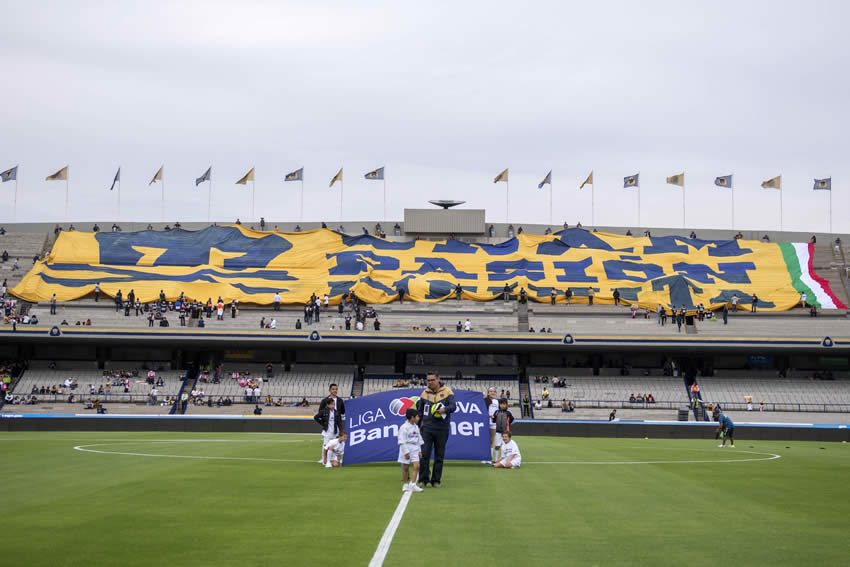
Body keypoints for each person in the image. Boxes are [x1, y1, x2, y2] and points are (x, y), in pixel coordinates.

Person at [416, 372, 456, 488]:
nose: (430, 382)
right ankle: (423, 479)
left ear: (438, 379)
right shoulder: (424, 393)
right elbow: (420, 411)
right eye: (428, 380)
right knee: (424, 455)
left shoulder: (447, 391)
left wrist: (444, 409)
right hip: (427, 428)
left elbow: (453, 406)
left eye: (432, 380)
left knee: (439, 455)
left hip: (442, 428)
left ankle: (436, 480)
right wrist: (419, 426)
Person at [315, 383, 345, 464]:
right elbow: (319, 413)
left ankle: (335, 459)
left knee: (337, 442)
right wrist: (324, 423)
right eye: (333, 389)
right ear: (329, 390)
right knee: (326, 443)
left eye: (336, 389)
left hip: (337, 425)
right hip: (328, 426)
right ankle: (323, 458)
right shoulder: (324, 401)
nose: (335, 390)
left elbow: (343, 411)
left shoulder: (340, 400)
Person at [397, 408, 425, 491]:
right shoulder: (404, 427)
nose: (418, 418)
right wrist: (406, 452)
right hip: (406, 447)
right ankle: (405, 484)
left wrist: (419, 451)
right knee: (406, 468)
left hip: (415, 448)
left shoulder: (416, 427)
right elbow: (401, 441)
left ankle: (413, 484)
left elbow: (418, 439)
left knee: (416, 466)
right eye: (417, 417)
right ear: (412, 417)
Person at [492, 398, 514, 463]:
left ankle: (505, 460)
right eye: (501, 404)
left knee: (505, 446)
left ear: (506, 405)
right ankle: (496, 460)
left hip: (506, 433)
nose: (502, 405)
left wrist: (507, 426)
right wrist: (493, 418)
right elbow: (493, 421)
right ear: (499, 404)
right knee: (497, 446)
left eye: (504, 404)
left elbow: (512, 420)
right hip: (498, 432)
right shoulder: (496, 412)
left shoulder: (508, 413)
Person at [483, 387, 499, 464]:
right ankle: (483, 457)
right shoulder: (484, 400)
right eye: (491, 391)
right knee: (484, 440)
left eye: (494, 391)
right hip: (484, 422)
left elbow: (498, 411)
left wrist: (495, 416)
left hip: (493, 423)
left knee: (491, 440)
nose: (492, 392)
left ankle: (489, 458)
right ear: (488, 393)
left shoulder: (497, 401)